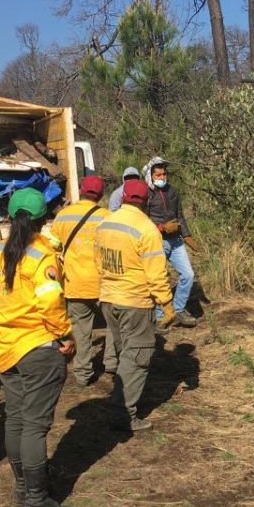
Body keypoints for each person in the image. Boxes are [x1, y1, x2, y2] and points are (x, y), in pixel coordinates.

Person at [0, 188, 78, 507]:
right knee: (35, 426)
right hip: (38, 347)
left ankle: (23, 490)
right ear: (41, 219)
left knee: (17, 420)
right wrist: (65, 336)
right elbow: (51, 302)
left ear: (8, 216)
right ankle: (37, 502)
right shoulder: (42, 257)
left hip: (6, 348)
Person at [95, 179, 176, 432]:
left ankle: (121, 397)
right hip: (135, 302)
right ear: (146, 200)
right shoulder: (147, 229)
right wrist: (167, 303)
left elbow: (98, 261)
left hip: (109, 299)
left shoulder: (105, 222)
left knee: (124, 353)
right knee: (137, 357)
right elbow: (156, 274)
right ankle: (123, 413)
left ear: (123, 197)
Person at [52, 175, 114, 385]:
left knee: (81, 330)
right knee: (113, 325)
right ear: (102, 194)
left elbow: (53, 248)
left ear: (81, 189)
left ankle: (83, 373)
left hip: (75, 283)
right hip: (104, 283)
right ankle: (112, 364)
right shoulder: (108, 217)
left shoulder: (63, 216)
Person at [142, 156, 198, 327]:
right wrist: (161, 228)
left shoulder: (172, 191)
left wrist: (188, 237)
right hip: (157, 242)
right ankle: (160, 315)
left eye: (164, 174)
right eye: (158, 175)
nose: (162, 178)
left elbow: (180, 215)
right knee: (159, 278)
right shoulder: (146, 194)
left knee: (188, 275)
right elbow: (142, 220)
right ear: (150, 176)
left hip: (176, 241)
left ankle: (179, 309)